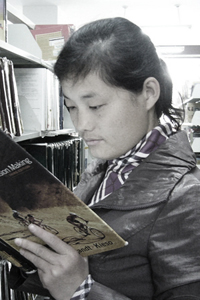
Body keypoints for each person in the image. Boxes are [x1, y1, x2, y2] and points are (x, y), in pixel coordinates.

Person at [9, 17, 200, 300]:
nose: (81, 124)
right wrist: (33, 254)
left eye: (95, 105)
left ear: (148, 93)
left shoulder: (187, 198)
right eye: (72, 107)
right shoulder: (106, 166)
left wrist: (81, 291)